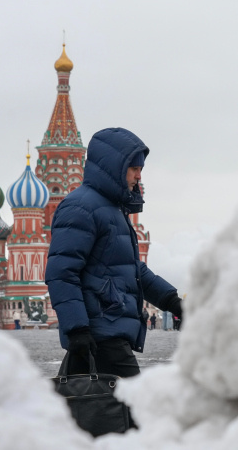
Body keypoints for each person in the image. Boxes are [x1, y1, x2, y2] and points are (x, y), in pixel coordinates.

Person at [46, 127, 183, 378]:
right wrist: (77, 329)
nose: (138, 177)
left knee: (92, 410)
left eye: (141, 170)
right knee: (135, 409)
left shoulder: (113, 210)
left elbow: (132, 269)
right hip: (100, 333)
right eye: (134, 169)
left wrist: (172, 302)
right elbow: (61, 272)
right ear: (114, 167)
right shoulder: (81, 207)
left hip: (106, 332)